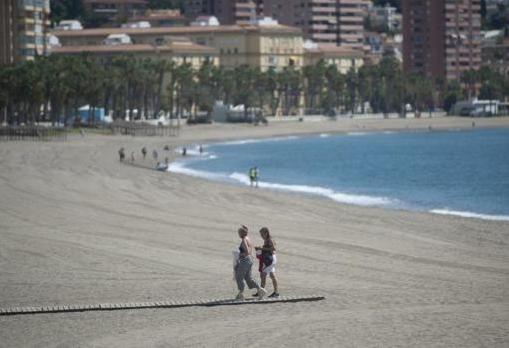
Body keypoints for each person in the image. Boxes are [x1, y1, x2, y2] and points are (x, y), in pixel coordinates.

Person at [234, 225, 267, 301]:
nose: (238, 234)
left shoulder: (244, 240)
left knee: (239, 277)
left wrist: (239, 254)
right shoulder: (247, 238)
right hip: (249, 260)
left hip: (245, 260)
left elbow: (247, 251)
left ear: (242, 233)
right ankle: (260, 290)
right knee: (248, 278)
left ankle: (241, 294)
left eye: (239, 232)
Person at [254, 227, 279, 298]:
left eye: (262, 234)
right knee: (272, 275)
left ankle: (261, 292)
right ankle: (275, 292)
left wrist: (261, 248)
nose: (261, 236)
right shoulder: (267, 239)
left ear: (266, 233)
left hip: (270, 259)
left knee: (263, 275)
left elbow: (273, 249)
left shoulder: (269, 240)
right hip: (272, 259)